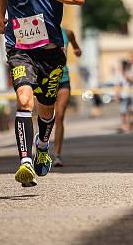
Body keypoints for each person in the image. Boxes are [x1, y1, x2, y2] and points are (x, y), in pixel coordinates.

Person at [0, 0, 84, 187]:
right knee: (24, 100)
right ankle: (25, 162)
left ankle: (42, 144)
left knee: (47, 109)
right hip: (20, 49)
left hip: (50, 52)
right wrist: (0, 17)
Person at [52, 28, 81, 168]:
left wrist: (77, 50)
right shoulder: (38, 30)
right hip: (45, 79)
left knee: (60, 115)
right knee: (45, 118)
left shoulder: (67, 33)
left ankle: (57, 155)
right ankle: (42, 147)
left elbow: (76, 46)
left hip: (63, 78)